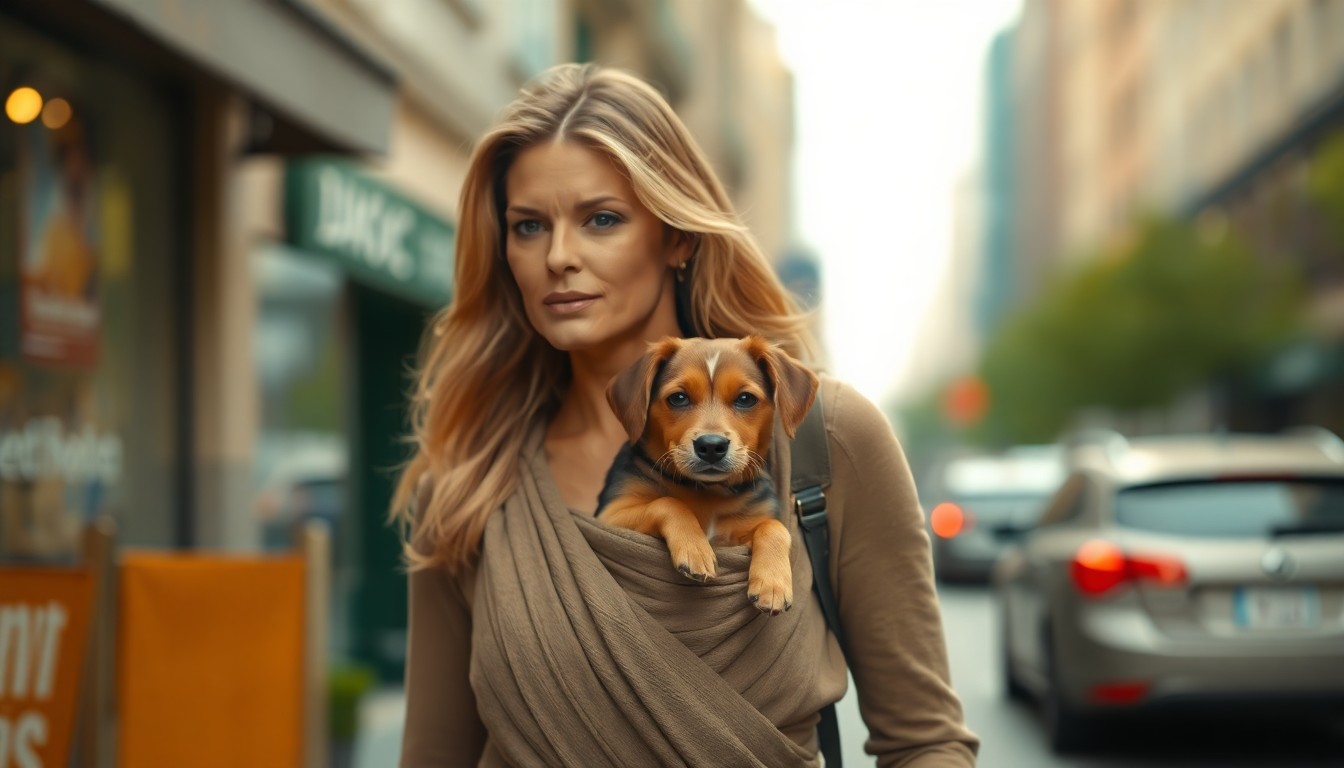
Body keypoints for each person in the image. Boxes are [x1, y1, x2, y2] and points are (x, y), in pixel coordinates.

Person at [393, 62, 979, 767]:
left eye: (600, 219)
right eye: (527, 227)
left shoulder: (827, 438)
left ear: (677, 237)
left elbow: (925, 742)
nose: (558, 257)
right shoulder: (469, 487)